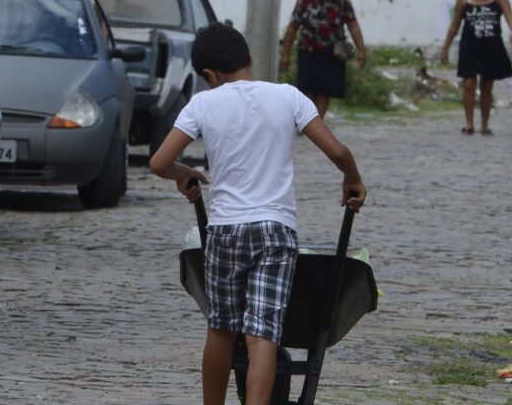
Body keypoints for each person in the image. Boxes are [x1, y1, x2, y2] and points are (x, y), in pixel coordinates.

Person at [149, 23, 366, 405]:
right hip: (275, 231)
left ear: (209, 76)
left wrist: (185, 175)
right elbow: (338, 151)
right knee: (262, 334)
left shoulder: (203, 103)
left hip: (224, 231)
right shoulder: (288, 96)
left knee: (220, 330)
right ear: (249, 58)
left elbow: (160, 161)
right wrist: (353, 180)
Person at [279, 0, 367, 120]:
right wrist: (285, 54)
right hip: (308, 51)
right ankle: (304, 121)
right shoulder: (304, 0)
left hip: (333, 53)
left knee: (325, 91)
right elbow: (293, 28)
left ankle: (317, 123)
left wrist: (361, 52)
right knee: (306, 89)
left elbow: (353, 25)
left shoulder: (342, 0)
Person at [440, 0, 512, 136]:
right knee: (468, 84)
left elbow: (510, 15)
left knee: (486, 86)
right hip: (470, 47)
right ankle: (469, 124)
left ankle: (485, 124)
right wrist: (445, 47)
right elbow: (454, 25)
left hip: (491, 47)